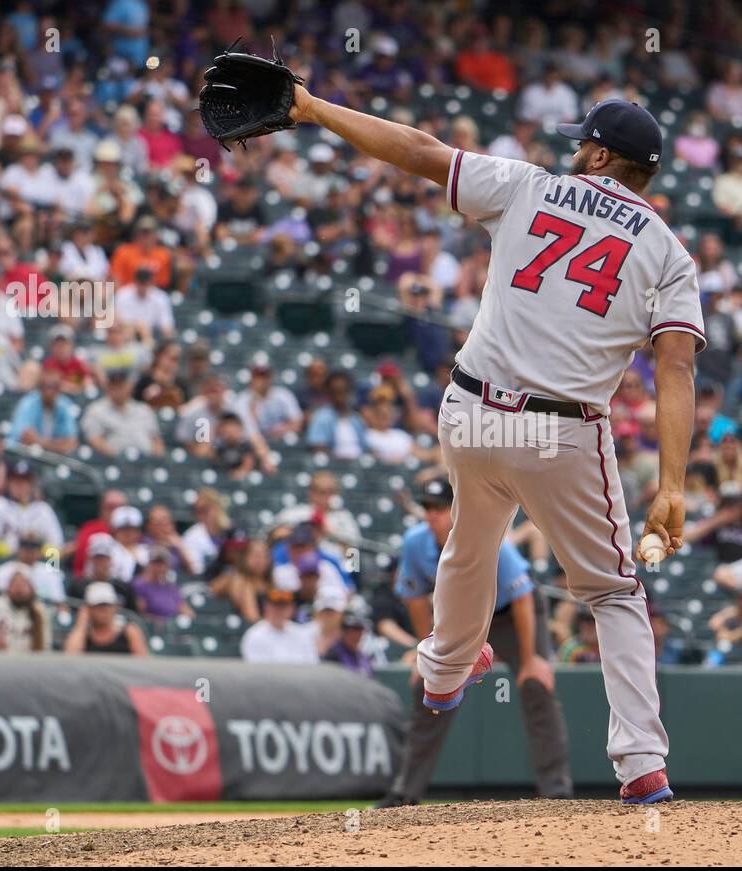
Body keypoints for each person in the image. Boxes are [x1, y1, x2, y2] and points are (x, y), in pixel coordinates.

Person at [285, 84, 701, 802]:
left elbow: (419, 150)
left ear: (602, 154)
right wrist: (671, 482)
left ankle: (444, 675)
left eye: (583, 143)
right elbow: (676, 366)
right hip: (561, 429)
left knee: (470, 544)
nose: (574, 151)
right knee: (613, 592)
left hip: (471, 409)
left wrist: (315, 108)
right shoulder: (667, 253)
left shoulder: (529, 186)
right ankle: (641, 765)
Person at [380, 479, 573, 807]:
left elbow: (524, 595)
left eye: (439, 507)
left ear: (455, 510)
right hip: (465, 617)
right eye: (427, 507)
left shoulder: (486, 535)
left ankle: (557, 795)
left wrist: (530, 661)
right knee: (428, 687)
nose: (431, 515)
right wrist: (424, 654)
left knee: (536, 687)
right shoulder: (415, 543)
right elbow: (414, 600)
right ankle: (405, 793)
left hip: (514, 616)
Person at [239, 586, 321, 664]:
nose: (279, 610)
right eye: (275, 606)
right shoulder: (254, 635)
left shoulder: (302, 634)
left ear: (292, 609)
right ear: (266, 607)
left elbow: (313, 665)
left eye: (283, 606)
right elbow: (256, 671)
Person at [64, 582, 148, 655]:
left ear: (115, 607)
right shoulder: (84, 635)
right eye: (98, 605)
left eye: (107, 605)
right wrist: (81, 624)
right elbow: (71, 658)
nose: (103, 610)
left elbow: (143, 662)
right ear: (89, 609)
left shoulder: (129, 631)